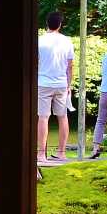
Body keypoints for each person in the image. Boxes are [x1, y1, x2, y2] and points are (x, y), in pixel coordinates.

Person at [37, 11, 74, 162]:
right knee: (63, 116)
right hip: (61, 83)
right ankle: (61, 152)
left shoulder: (39, 41)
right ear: (60, 24)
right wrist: (69, 84)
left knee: (43, 117)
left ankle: (41, 154)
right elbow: (70, 65)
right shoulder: (67, 41)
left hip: (43, 82)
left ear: (47, 23)